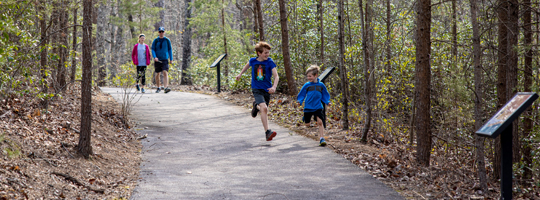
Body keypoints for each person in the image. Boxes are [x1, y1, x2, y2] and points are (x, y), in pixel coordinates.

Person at [236, 41, 279, 141]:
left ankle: (256, 106)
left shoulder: (270, 62)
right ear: (259, 53)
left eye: (268, 52)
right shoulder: (253, 61)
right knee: (264, 108)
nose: (267, 55)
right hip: (256, 89)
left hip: (267, 90)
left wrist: (274, 87)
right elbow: (247, 65)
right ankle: (267, 132)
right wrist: (240, 74)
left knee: (264, 109)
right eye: (265, 53)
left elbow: (276, 76)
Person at [297, 65, 331, 146]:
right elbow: (302, 94)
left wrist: (327, 102)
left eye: (310, 76)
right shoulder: (307, 85)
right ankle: (305, 118)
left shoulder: (321, 85)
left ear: (316, 75)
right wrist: (300, 101)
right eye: (307, 76)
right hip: (308, 107)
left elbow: (325, 94)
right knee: (307, 124)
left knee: (320, 122)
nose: (308, 78)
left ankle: (322, 138)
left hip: (318, 107)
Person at [151, 27, 173, 93]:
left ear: (164, 32)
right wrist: (155, 57)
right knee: (157, 73)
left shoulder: (167, 40)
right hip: (157, 59)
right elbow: (153, 49)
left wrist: (171, 58)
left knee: (165, 72)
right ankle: (158, 87)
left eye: (162, 32)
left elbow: (170, 49)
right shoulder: (155, 40)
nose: (161, 33)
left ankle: (166, 87)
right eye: (160, 32)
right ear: (158, 32)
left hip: (165, 59)